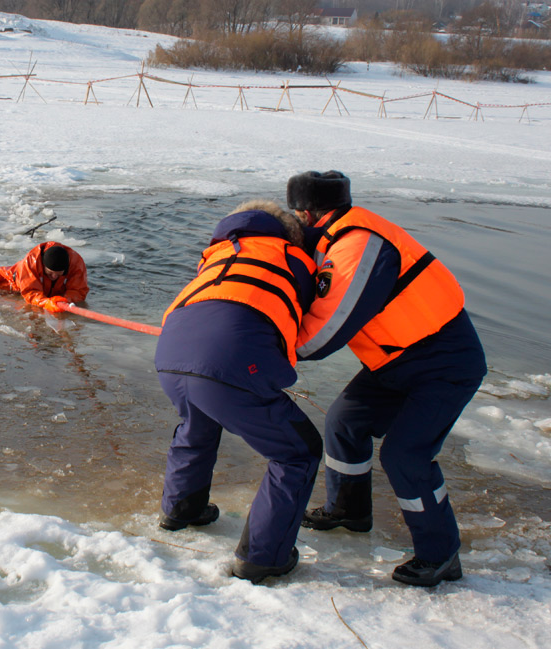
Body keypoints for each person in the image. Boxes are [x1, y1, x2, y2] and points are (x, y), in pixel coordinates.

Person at [287, 170, 487, 587]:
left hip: (444, 364)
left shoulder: (360, 244)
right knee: (345, 421)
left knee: (405, 456)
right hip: (396, 362)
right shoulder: (337, 239)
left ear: (306, 213)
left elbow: (329, 329)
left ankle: (440, 555)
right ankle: (349, 510)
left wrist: (273, 352)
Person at [154, 200, 323, 584]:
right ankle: (264, 557)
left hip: (171, 352)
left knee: (196, 425)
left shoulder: (216, 255)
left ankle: (181, 510)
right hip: (230, 362)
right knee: (298, 452)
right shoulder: (292, 257)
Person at [0, 241, 88, 313]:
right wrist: (46, 302)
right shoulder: (30, 263)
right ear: (43, 266)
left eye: (59, 274)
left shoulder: (76, 264)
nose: (54, 276)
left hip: (47, 290)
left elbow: (79, 291)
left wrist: (66, 300)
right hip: (10, 284)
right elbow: (30, 292)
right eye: (50, 273)